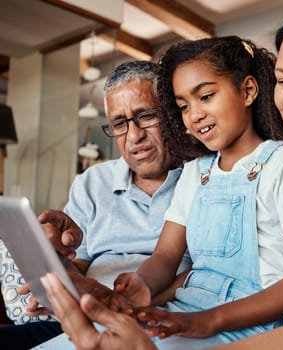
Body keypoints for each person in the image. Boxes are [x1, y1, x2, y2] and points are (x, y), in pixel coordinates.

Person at [37, 1, 283, 349]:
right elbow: (194, 269)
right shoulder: (267, 165)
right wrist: (118, 295)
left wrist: (192, 328)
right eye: (282, 80)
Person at [106, 36, 283, 349]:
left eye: (206, 96)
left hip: (254, 325)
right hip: (186, 312)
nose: (194, 115)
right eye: (183, 106)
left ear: (247, 91)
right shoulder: (196, 172)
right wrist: (143, 282)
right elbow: (166, 255)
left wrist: (209, 320)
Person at [0, 60, 190, 349]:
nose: (134, 136)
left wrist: (120, 303)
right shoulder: (94, 181)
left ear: (171, 114)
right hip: (81, 316)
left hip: (156, 319)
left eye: (146, 116)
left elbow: (209, 275)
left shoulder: (201, 179)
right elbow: (79, 263)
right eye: (119, 124)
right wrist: (60, 271)